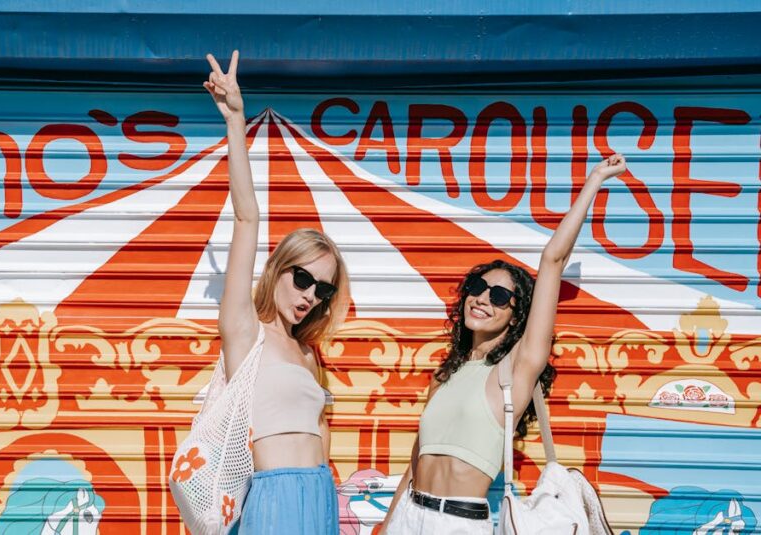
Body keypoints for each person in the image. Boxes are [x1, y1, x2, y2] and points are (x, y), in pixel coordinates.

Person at [382, 154, 629, 533]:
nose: (483, 299)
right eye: (478, 289)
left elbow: (552, 261)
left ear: (516, 316)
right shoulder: (445, 375)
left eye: (499, 296)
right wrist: (388, 521)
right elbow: (415, 463)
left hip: (457, 523)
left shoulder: (516, 369)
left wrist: (595, 179)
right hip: (408, 515)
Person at [203, 51, 350, 534]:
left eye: (323, 289)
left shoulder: (307, 352)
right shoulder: (247, 335)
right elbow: (247, 218)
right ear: (278, 271)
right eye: (302, 278)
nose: (310, 295)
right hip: (275, 496)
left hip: (320, 493)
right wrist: (236, 121)